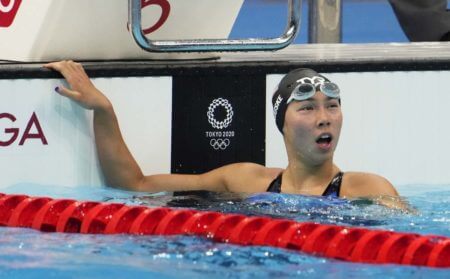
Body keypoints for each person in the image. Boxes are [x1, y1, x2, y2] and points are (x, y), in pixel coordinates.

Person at [43, 61, 400, 204]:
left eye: (332, 106)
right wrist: (104, 111)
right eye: (307, 108)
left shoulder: (368, 189)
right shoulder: (245, 180)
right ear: (283, 124)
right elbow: (134, 185)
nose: (324, 118)